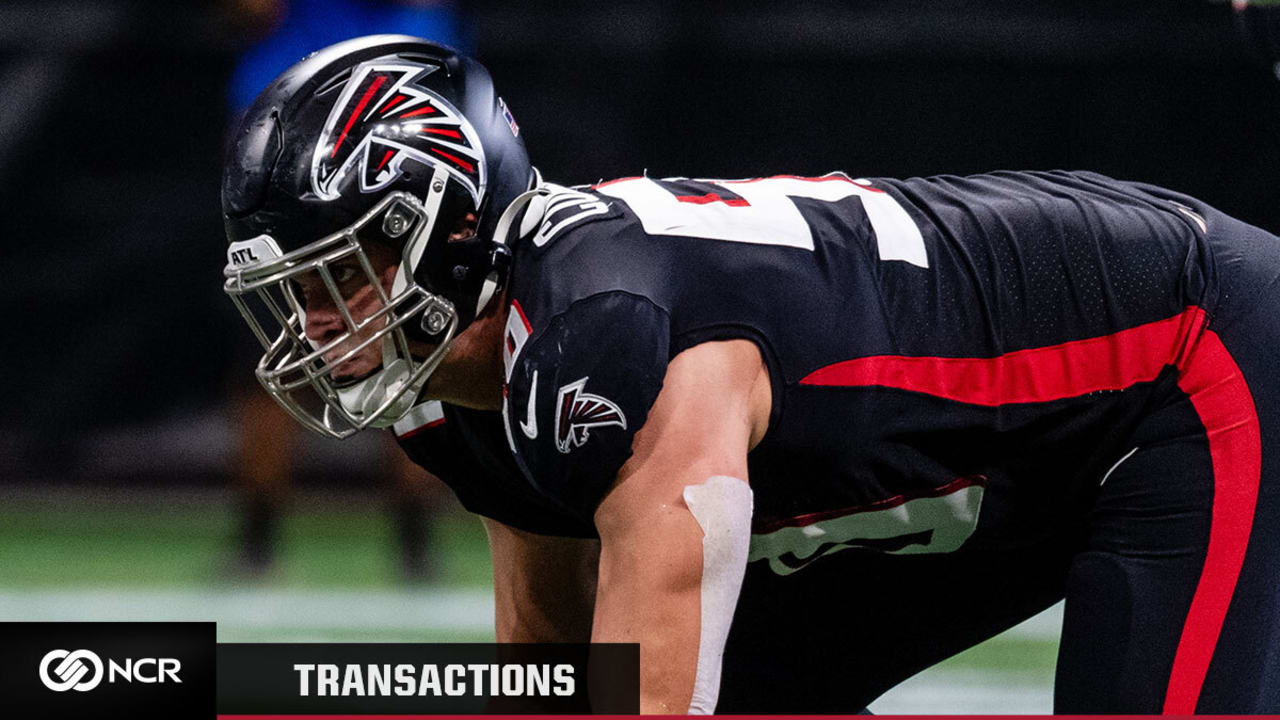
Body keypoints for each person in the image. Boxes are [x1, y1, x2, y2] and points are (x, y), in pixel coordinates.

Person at [220, 35, 1280, 713]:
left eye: (347, 273)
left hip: (1181, 358)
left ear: (452, 236)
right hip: (1006, 450)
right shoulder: (480, 379)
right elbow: (552, 675)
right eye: (298, 287)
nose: (318, 320)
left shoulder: (604, 336)